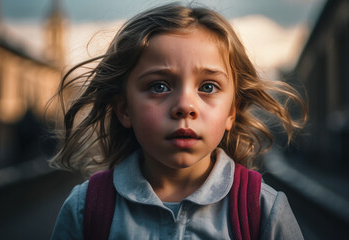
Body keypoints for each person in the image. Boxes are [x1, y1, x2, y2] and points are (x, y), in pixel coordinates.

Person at [50, 3, 307, 239]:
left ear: (232, 112)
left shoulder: (262, 210)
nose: (185, 106)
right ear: (124, 109)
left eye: (208, 86)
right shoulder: (86, 209)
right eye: (159, 86)